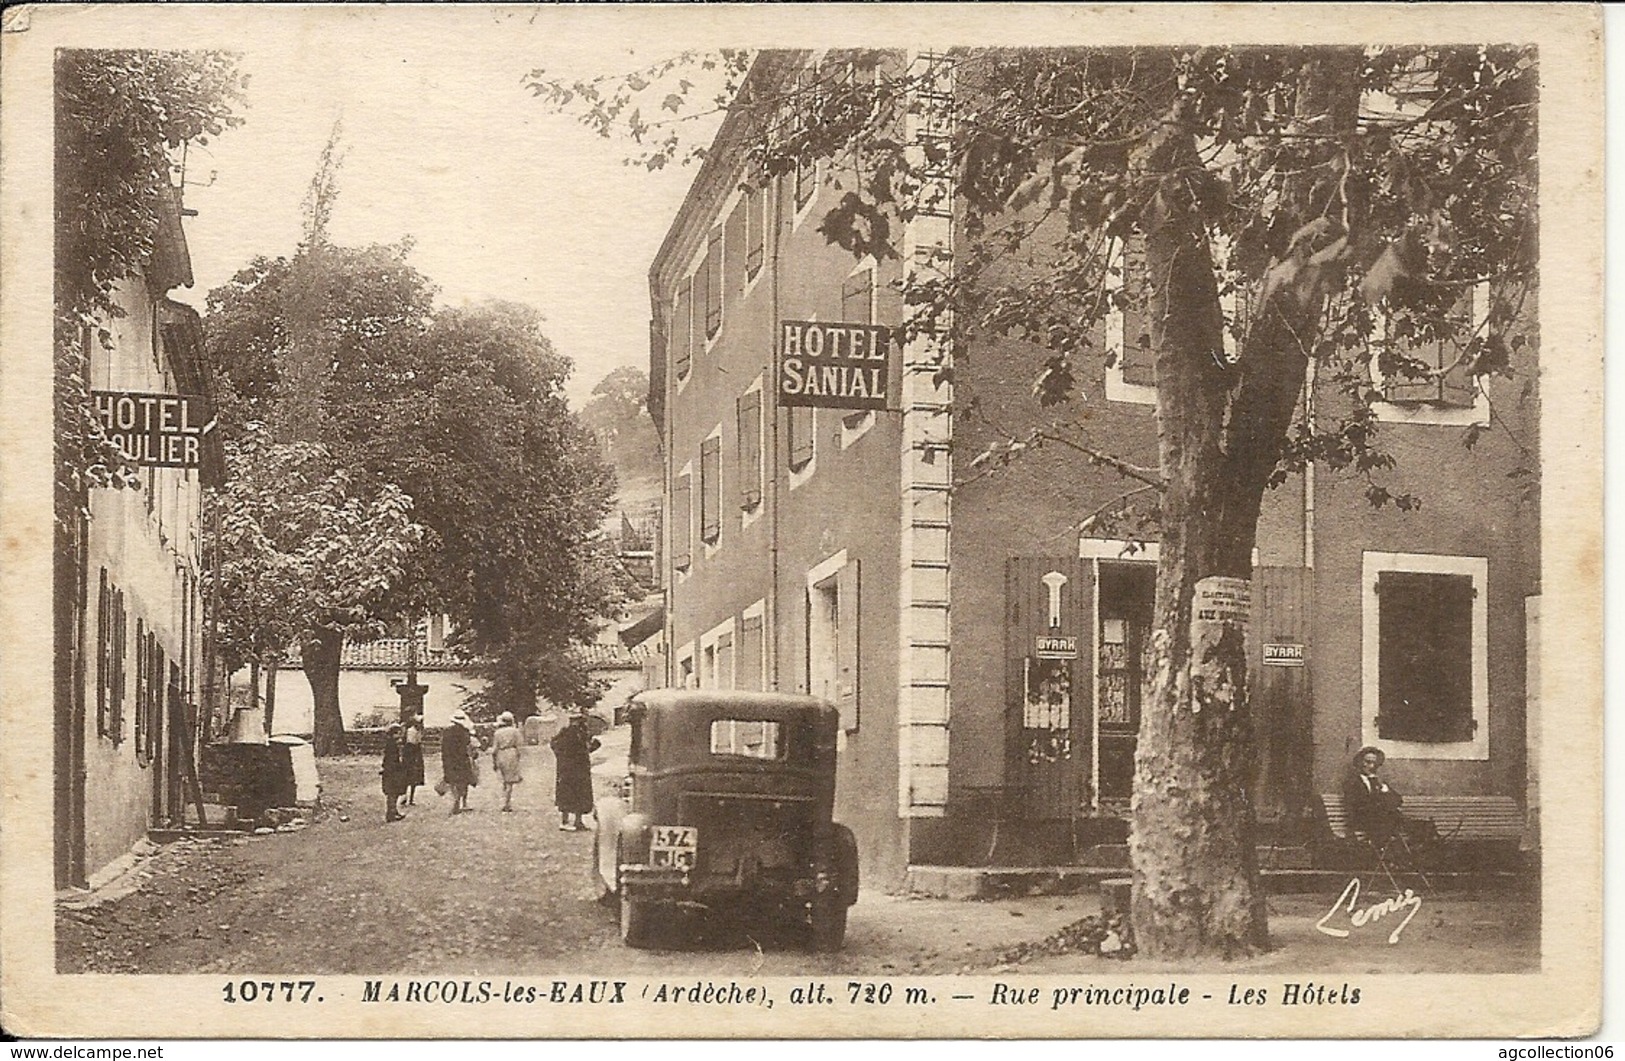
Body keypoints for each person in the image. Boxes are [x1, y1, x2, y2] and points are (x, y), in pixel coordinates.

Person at [1343, 745, 1432, 845]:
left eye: (1375, 763)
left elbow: (1398, 800)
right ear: (1360, 762)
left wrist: (1385, 791)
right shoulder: (1353, 782)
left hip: (1385, 820)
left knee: (1425, 827)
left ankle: (1422, 849)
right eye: (1368, 762)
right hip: (1364, 821)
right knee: (1400, 823)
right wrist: (1384, 802)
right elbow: (1359, 805)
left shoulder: (1378, 782)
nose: (1371, 766)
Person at [549, 711, 600, 831]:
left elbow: (554, 745)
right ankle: (572, 821)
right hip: (577, 768)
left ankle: (572, 821)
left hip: (568, 768)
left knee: (569, 792)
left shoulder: (566, 733)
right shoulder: (578, 734)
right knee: (577, 793)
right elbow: (584, 749)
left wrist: (560, 757)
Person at [441, 709, 478, 815]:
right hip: (462, 758)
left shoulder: (447, 732)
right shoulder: (465, 732)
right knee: (464, 780)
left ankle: (455, 799)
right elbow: (469, 745)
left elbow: (444, 747)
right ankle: (464, 802)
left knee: (452, 780)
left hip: (449, 758)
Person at [490, 711, 524, 812]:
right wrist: (518, 757)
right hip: (511, 754)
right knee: (510, 781)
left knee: (504, 779)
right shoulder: (515, 732)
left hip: (501, 754)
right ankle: (507, 803)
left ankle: (504, 800)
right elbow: (519, 746)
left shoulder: (497, 733)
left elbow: (494, 749)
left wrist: (494, 762)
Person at [380, 722, 409, 823]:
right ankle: (391, 813)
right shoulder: (391, 746)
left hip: (392, 771)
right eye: (398, 733)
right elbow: (391, 761)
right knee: (392, 793)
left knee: (394, 793)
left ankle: (393, 811)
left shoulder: (393, 745)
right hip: (392, 772)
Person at [402, 708, 426, 806]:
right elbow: (412, 743)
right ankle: (406, 797)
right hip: (411, 752)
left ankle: (409, 798)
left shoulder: (416, 730)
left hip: (413, 752)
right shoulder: (410, 730)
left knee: (413, 776)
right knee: (409, 775)